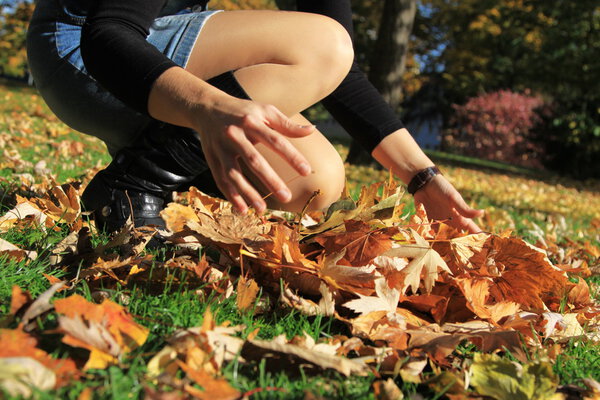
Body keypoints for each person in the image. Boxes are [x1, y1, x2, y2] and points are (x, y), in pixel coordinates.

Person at [26, 0, 484, 235]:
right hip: (80, 55)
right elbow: (106, 33)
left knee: (313, 182)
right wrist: (208, 107)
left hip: (141, 77)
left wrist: (422, 177)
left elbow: (339, 71)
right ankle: (135, 184)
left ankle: (150, 165)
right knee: (325, 41)